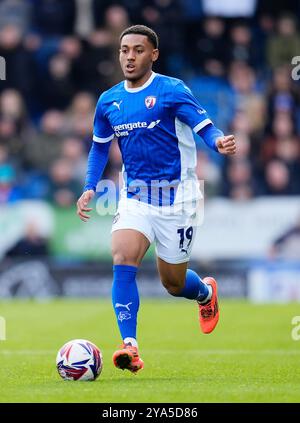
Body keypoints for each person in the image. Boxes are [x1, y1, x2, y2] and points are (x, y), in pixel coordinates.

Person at [76, 25, 236, 374]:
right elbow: (99, 148)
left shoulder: (172, 90)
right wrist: (90, 185)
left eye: (137, 50)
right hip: (135, 197)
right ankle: (130, 346)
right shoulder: (109, 101)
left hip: (179, 199)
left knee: (173, 283)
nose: (129, 56)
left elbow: (205, 127)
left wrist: (219, 141)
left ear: (154, 55)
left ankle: (205, 293)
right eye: (124, 50)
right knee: (123, 255)